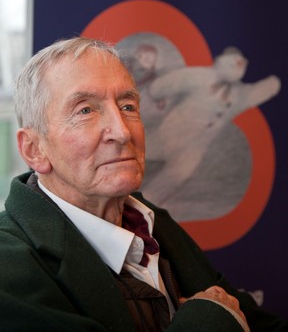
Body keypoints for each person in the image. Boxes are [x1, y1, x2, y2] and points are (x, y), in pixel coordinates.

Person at [0, 37, 286, 332]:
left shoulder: (153, 221)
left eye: (127, 105)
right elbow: (223, 312)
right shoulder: (7, 266)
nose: (122, 132)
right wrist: (214, 318)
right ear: (34, 149)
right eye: (85, 110)